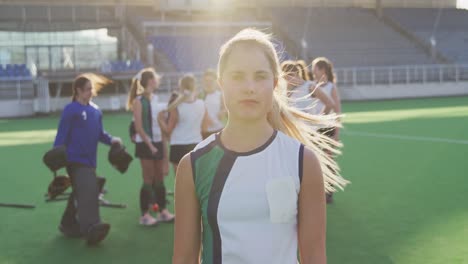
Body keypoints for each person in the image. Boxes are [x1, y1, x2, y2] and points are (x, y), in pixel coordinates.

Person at [173, 28, 348, 264]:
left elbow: (314, 256)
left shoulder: (302, 161)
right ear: (220, 83)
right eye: (237, 76)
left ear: (275, 84)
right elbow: (184, 258)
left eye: (260, 76)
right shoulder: (193, 165)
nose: (249, 87)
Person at [54, 73, 122, 245]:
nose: (91, 92)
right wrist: (56, 157)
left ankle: (67, 224)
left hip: (90, 160)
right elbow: (62, 135)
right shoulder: (71, 110)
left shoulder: (95, 111)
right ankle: (92, 226)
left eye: (91, 89)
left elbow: (100, 133)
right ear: (78, 91)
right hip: (74, 159)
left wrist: (111, 139)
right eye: (87, 89)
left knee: (79, 190)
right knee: (89, 190)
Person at [127, 68, 174, 226]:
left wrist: (162, 146)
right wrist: (150, 145)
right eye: (154, 79)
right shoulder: (138, 101)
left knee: (160, 178)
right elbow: (139, 127)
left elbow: (160, 125)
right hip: (145, 144)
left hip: (157, 142)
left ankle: (162, 211)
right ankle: (144, 215)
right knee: (148, 179)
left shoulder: (155, 99)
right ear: (149, 81)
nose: (156, 81)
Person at [158, 74, 211, 174]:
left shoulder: (177, 106)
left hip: (178, 145)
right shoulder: (202, 104)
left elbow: (168, 129)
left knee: (179, 182)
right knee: (194, 181)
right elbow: (205, 128)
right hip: (196, 144)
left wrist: (160, 120)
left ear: (181, 87)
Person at [311, 57, 342, 203]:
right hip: (313, 128)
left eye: (315, 68)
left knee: (328, 159)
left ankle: (329, 192)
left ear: (322, 70)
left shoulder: (331, 87)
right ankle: (316, 191)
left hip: (327, 127)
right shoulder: (312, 86)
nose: (312, 71)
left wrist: (337, 132)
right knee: (314, 161)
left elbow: (337, 111)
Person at [202, 69, 225, 139]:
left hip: (218, 130)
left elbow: (225, 108)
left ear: (215, 82)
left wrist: (222, 112)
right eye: (206, 81)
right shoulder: (200, 96)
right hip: (204, 132)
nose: (208, 83)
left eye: (210, 81)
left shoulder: (220, 95)